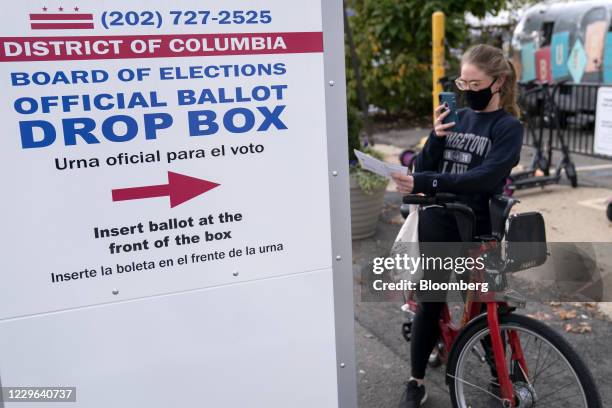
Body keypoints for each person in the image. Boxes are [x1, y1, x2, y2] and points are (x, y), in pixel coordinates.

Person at [391, 44, 524, 408]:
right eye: (462, 82)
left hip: (480, 227)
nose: (467, 90)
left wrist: (428, 182)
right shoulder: (458, 117)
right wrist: (436, 136)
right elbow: (425, 165)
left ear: (498, 82)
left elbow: (485, 177)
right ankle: (416, 382)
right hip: (438, 220)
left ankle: (503, 378)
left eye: (475, 82)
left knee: (487, 305)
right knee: (431, 303)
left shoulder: (508, 127)